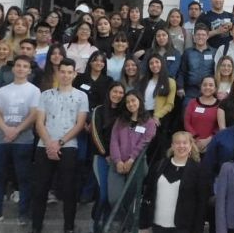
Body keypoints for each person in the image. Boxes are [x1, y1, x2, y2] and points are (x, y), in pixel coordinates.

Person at [0, 55, 41, 225]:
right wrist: (6, 129)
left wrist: (17, 130)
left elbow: (34, 114)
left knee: (23, 178)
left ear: (29, 70)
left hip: (24, 140)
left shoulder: (34, 90)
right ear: (13, 69)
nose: (20, 69)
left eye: (24, 66)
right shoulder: (3, 90)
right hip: (2, 139)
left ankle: (24, 213)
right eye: (18, 65)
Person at [31, 58, 88, 233]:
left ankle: (69, 227)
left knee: (69, 190)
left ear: (74, 74)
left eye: (69, 72)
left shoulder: (81, 96)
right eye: (62, 71)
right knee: (40, 189)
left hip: (69, 146)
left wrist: (60, 143)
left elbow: (80, 124)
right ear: (58, 72)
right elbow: (39, 122)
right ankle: (36, 227)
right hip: (44, 146)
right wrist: (50, 144)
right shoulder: (46, 95)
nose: (65, 75)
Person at [139, 131, 207, 233]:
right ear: (172, 145)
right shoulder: (159, 166)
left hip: (183, 228)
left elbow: (201, 204)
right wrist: (143, 225)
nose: (181, 146)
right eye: (177, 142)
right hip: (157, 226)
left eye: (185, 143)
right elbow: (148, 195)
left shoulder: (198, 170)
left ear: (190, 146)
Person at [108, 89, 156, 209]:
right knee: (114, 199)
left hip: (137, 164)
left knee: (130, 200)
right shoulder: (120, 120)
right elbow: (114, 141)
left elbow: (144, 143)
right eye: (127, 102)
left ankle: (127, 226)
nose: (131, 104)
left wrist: (131, 160)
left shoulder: (149, 122)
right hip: (117, 163)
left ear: (140, 100)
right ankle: (121, 223)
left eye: (133, 100)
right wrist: (118, 161)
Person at [89, 81, 125, 231]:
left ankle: (108, 225)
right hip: (102, 158)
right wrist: (106, 154)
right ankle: (96, 225)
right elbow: (95, 134)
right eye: (115, 91)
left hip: (119, 160)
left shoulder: (125, 112)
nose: (117, 95)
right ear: (109, 92)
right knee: (103, 195)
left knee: (112, 196)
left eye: (121, 93)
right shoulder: (99, 110)